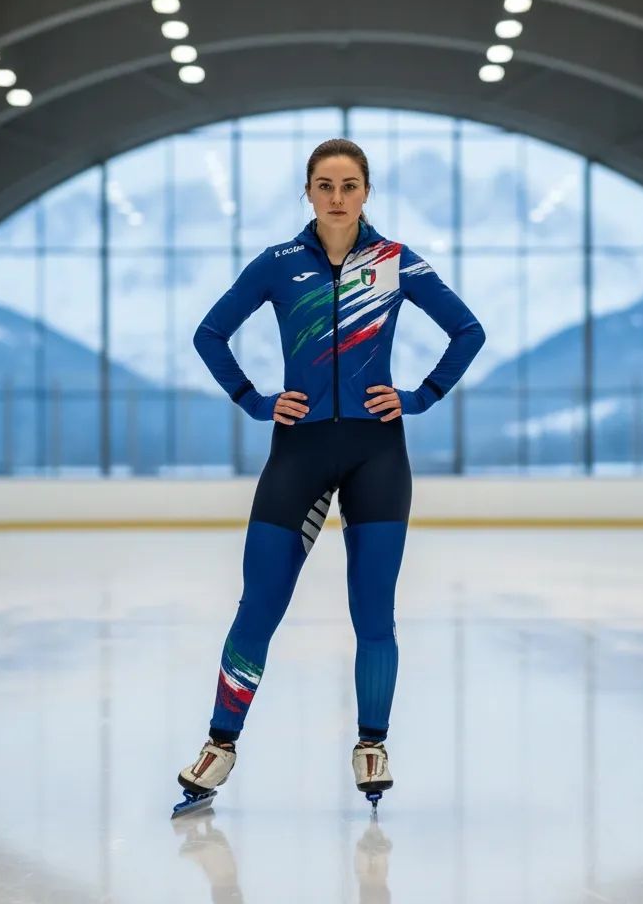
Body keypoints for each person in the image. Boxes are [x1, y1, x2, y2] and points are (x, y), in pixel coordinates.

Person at [177, 137, 485, 801]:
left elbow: (469, 332)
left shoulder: (395, 263)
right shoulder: (278, 264)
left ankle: (371, 745)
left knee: (374, 615)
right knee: (258, 605)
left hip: (378, 453)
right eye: (325, 185)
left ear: (366, 192)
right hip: (299, 454)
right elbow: (209, 334)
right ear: (309, 192)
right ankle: (219, 744)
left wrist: (420, 396)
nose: (337, 197)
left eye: (349, 185)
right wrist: (254, 400)